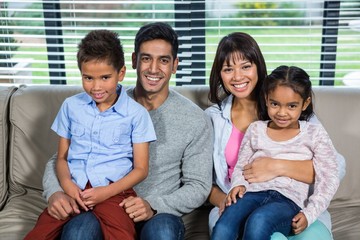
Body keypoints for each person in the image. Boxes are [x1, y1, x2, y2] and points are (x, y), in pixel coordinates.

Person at [41, 22, 213, 240]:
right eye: (146, 58)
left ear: (175, 65)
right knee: (78, 233)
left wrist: (153, 205)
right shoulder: (103, 99)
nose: (153, 68)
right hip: (102, 204)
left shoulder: (194, 118)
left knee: (163, 233)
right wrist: (55, 193)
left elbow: (198, 186)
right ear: (133, 61)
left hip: (157, 213)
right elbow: (62, 158)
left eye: (163, 60)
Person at [205, 32, 346, 240]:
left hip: (295, 200)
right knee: (238, 228)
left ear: (258, 67)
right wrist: (229, 196)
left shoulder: (294, 112)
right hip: (242, 197)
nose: (237, 76)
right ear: (219, 74)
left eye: (245, 66)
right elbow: (198, 179)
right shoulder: (212, 119)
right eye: (228, 69)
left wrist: (276, 166)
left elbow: (336, 167)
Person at [25, 29, 156, 240]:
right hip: (74, 189)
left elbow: (141, 169)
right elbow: (61, 157)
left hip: (113, 194)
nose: (96, 87)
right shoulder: (70, 106)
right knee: (40, 233)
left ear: (120, 73)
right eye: (88, 78)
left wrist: (105, 192)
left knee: (122, 235)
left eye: (105, 77)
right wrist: (67, 186)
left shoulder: (136, 114)